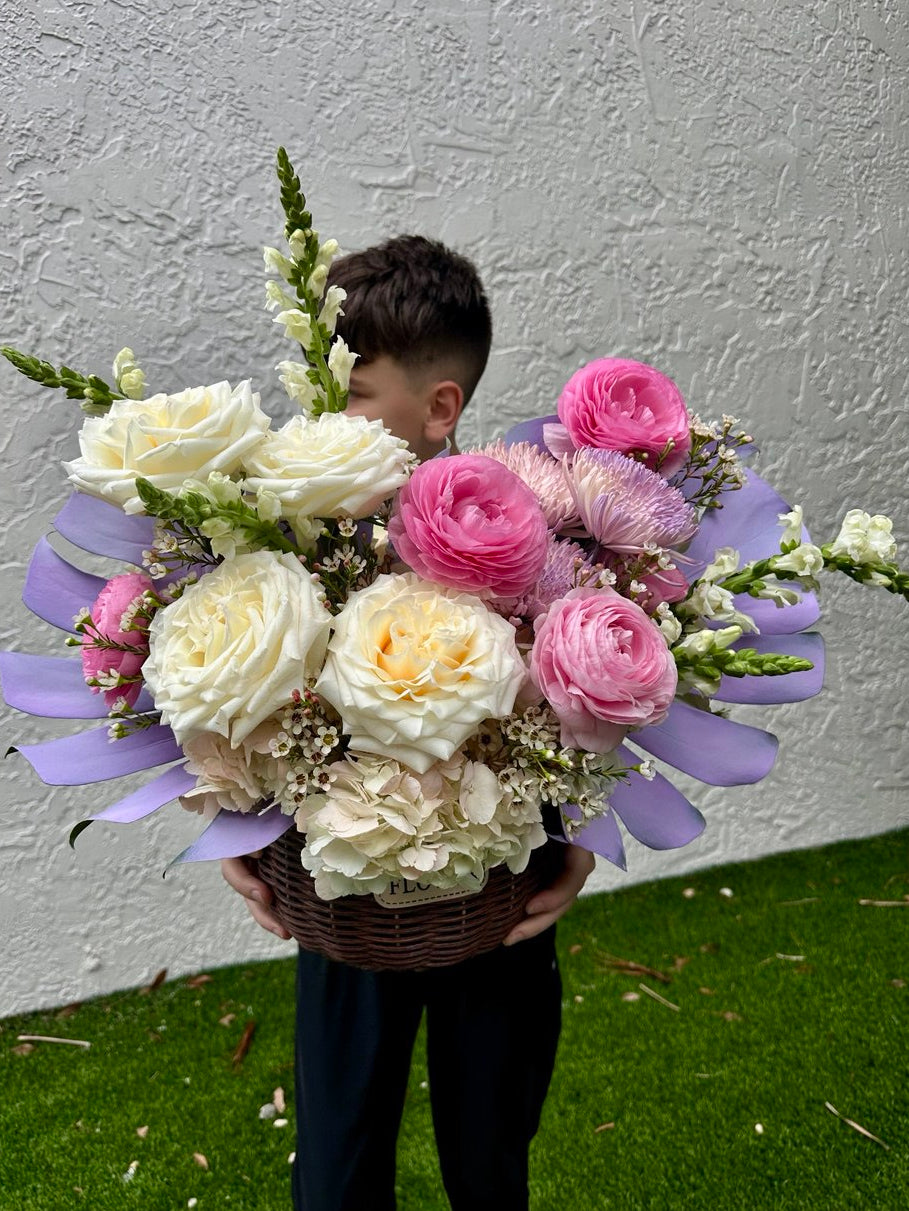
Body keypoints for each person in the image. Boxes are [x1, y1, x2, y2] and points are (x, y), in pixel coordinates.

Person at [221, 235, 595, 1211]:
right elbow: (242, 695)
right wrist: (234, 824)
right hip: (344, 901)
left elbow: (577, 687)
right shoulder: (289, 537)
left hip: (496, 892)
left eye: (350, 387)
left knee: (490, 1145)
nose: (323, 407)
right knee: (339, 1163)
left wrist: (582, 836)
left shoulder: (527, 538)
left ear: (440, 408)